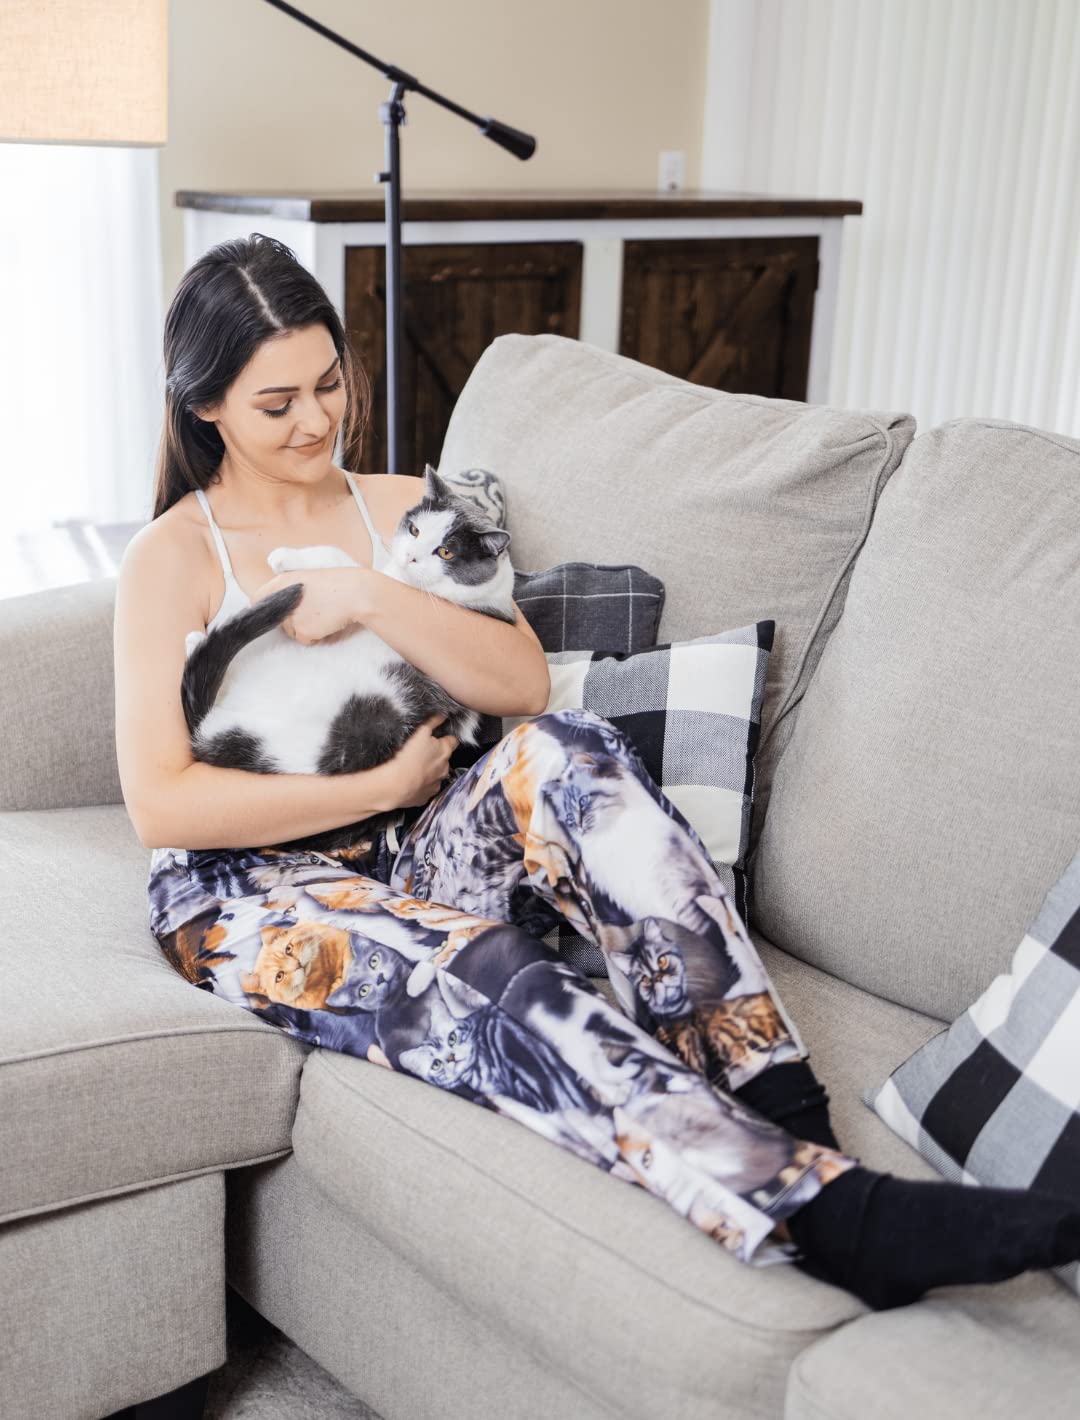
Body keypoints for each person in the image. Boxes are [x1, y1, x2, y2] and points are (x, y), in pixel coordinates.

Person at [116, 233, 1080, 1315]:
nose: (316, 419)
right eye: (275, 401)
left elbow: (523, 681)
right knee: (484, 970)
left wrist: (376, 594)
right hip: (247, 891)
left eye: (330, 381)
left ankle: (790, 1120)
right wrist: (374, 791)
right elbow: (162, 798)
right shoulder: (174, 556)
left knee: (573, 752)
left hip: (421, 839)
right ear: (205, 408)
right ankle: (831, 1217)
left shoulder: (403, 506)